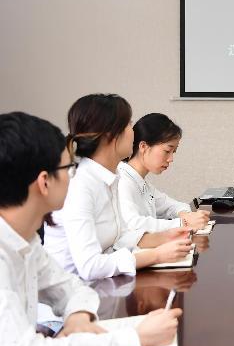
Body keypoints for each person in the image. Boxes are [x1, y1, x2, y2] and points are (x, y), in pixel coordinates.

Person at [0, 111, 181, 346]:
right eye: (68, 167)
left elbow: (72, 288)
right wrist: (136, 338)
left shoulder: (26, 241)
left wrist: (78, 316)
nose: (73, 175)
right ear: (44, 182)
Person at [44, 94, 192, 281]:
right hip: (74, 291)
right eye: (129, 124)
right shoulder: (80, 185)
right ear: (110, 135)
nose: (134, 131)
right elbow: (90, 266)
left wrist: (165, 237)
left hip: (101, 285)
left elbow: (119, 237)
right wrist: (156, 255)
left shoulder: (110, 177)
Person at [118, 113, 209, 233]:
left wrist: (187, 215)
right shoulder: (121, 180)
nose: (171, 159)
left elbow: (174, 206)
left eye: (173, 152)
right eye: (167, 151)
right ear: (143, 146)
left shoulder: (142, 183)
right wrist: (184, 222)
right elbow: (133, 225)